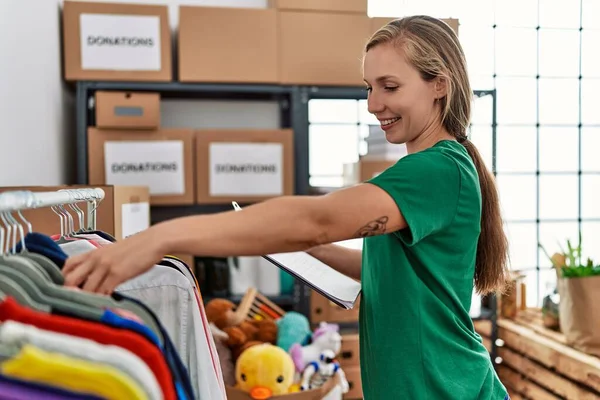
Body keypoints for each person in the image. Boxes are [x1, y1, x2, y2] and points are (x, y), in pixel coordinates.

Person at [63, 15, 511, 400]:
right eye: (369, 87)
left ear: (439, 86)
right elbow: (390, 266)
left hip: (444, 388)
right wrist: (298, 249)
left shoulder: (435, 171)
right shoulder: (433, 168)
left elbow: (319, 220)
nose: (373, 104)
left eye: (389, 86)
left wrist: (160, 236)